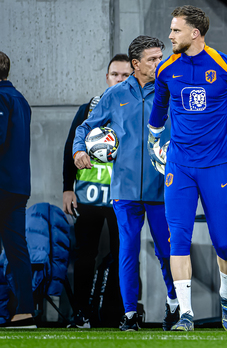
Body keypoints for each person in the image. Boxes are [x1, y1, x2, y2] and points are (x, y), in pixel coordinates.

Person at [147, 5, 227, 332]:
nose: (170, 35)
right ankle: (187, 315)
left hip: (217, 165)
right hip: (179, 165)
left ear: (195, 33)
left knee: (224, 242)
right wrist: (154, 142)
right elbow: (158, 112)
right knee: (177, 238)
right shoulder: (165, 68)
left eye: (175, 30)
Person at [73, 36, 178, 332]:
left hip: (163, 188)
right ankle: (130, 314)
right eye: (153, 59)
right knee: (127, 252)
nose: (160, 63)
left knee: (167, 253)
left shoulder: (171, 91)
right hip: (125, 191)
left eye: (161, 57)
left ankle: (173, 304)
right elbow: (85, 127)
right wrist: (80, 149)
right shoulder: (115, 95)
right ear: (136, 64)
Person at [62, 53, 132, 328]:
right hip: (89, 194)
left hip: (123, 195)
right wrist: (68, 189)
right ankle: (81, 314)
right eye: (115, 74)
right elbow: (71, 147)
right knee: (84, 255)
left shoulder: (135, 110)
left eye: (126, 75)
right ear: (107, 77)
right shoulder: (89, 109)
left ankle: (114, 315)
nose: (120, 79)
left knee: (123, 254)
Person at [0, 51, 35, 328]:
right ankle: (24, 311)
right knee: (17, 249)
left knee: (16, 250)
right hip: (17, 186)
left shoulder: (1, 97)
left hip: (2, 183)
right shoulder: (20, 99)